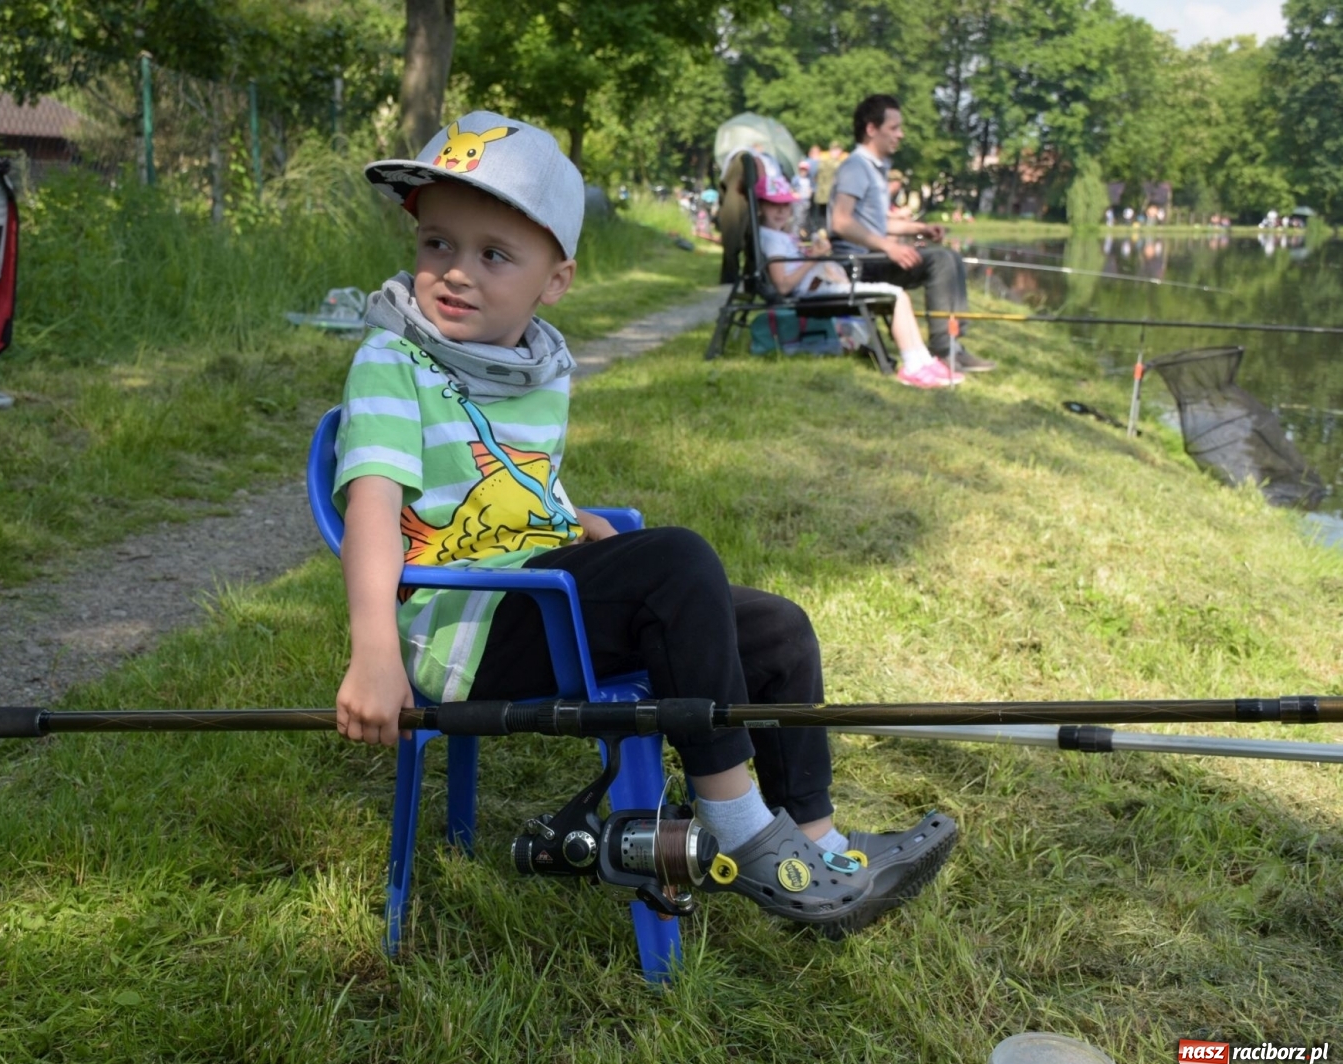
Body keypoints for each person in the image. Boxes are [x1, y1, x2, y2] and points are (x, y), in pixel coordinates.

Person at [343, 111, 957, 936]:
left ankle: (816, 844)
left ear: (552, 282)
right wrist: (375, 651)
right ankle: (739, 830)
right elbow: (376, 509)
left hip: (535, 588)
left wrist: (571, 517)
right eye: (437, 245)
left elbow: (502, 483)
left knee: (777, 631)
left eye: (493, 255)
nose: (456, 273)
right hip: (467, 630)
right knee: (676, 561)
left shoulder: (532, 367)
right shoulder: (394, 359)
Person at [829, 95, 994, 373]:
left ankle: (952, 344)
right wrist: (889, 248)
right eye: (894, 128)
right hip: (852, 266)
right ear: (871, 129)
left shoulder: (874, 168)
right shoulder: (856, 166)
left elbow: (876, 223)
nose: (900, 135)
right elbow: (841, 222)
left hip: (869, 258)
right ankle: (944, 349)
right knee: (940, 261)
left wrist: (921, 229)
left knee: (950, 258)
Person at [754, 174, 962, 389]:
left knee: (900, 295)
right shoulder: (771, 240)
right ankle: (913, 366)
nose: (780, 211)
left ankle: (924, 361)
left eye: (785, 206)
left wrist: (811, 255)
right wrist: (815, 258)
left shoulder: (777, 236)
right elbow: (784, 286)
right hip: (814, 292)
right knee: (897, 295)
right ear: (760, 207)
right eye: (772, 205)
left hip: (820, 286)